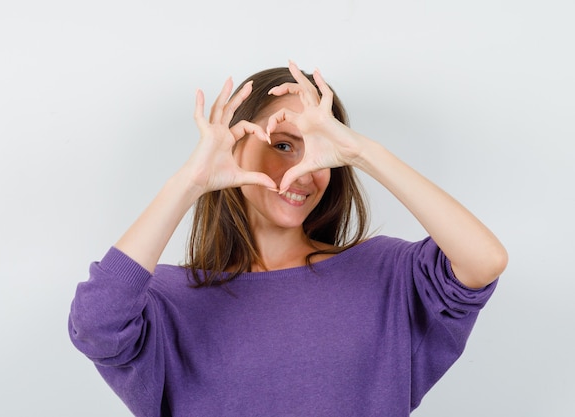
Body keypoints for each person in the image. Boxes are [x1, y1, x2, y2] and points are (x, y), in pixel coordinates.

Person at [68, 61, 508, 417]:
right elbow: (96, 323)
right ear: (235, 146)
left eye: (321, 149)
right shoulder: (169, 298)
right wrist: (192, 180)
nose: (304, 169)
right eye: (282, 144)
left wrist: (360, 151)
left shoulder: (384, 273)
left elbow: (484, 261)